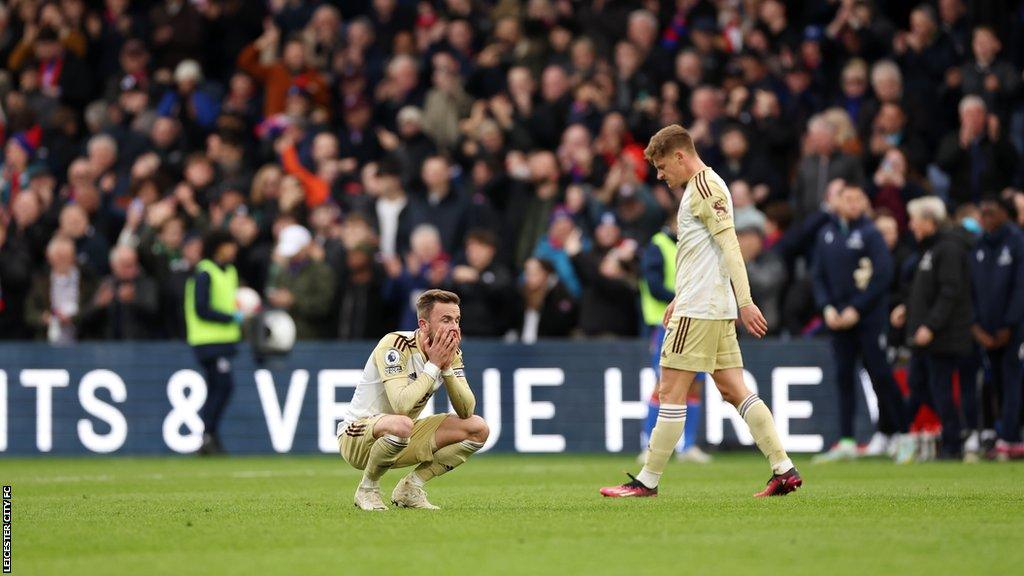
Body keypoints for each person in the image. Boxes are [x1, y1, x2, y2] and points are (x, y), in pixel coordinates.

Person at [600, 124, 801, 498]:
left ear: (680, 155)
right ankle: (783, 468)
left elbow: (731, 248)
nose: (660, 176)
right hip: (707, 305)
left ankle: (647, 481)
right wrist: (680, 296)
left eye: (662, 167)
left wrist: (745, 301)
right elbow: (704, 255)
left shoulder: (706, 188)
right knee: (734, 389)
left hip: (702, 310)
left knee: (669, 391)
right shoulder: (700, 188)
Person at [339, 289, 489, 511]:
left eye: (457, 320)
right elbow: (401, 405)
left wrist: (446, 367)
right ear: (424, 324)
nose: (454, 328)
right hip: (358, 436)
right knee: (402, 423)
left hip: (402, 437)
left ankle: (410, 488)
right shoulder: (394, 345)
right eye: (446, 320)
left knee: (477, 428)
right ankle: (367, 489)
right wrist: (433, 366)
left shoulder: (451, 353)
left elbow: (467, 409)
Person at [810, 185, 913, 464]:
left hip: (868, 319)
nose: (853, 204)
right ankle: (846, 440)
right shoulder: (826, 234)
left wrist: (857, 308)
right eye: (847, 198)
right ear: (836, 202)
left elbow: (882, 276)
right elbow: (817, 275)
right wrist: (827, 308)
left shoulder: (870, 234)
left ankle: (904, 435)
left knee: (881, 374)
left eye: (858, 199)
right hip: (838, 320)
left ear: (865, 203)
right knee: (844, 378)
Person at [891, 197, 974, 459]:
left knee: (940, 389)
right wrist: (908, 308)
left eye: (914, 220)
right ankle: (952, 433)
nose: (911, 225)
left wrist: (930, 325)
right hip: (924, 335)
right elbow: (926, 292)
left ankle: (953, 443)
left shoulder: (948, 249)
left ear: (929, 221)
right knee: (920, 385)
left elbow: (950, 292)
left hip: (942, 336)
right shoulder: (929, 249)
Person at [637, 208, 711, 464]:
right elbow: (654, 286)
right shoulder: (658, 246)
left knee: (695, 383)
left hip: (695, 322)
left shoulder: (697, 246)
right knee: (663, 384)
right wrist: (684, 298)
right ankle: (649, 444)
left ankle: (688, 446)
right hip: (665, 324)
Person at [969, 196, 1024, 460]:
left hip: (1013, 331)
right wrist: (976, 325)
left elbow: (1020, 287)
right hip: (985, 332)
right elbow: (969, 291)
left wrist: (1010, 324)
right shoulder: (979, 245)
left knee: (1013, 380)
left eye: (993, 211)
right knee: (997, 384)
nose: (987, 215)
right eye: (984, 211)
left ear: (1006, 213)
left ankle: (1012, 435)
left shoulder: (1017, 241)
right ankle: (1002, 433)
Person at [184, 230, 245, 456]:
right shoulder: (205, 272)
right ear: (219, 246)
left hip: (223, 340)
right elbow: (201, 309)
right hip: (208, 341)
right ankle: (209, 434)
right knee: (223, 386)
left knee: (217, 388)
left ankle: (209, 436)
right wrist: (230, 317)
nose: (233, 249)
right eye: (230, 244)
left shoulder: (229, 272)